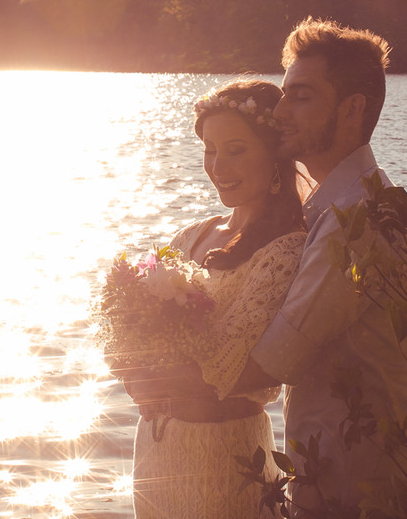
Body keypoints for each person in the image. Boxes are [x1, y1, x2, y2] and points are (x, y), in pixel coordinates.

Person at [228, 17, 407, 515]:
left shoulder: (355, 222)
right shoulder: (349, 203)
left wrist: (157, 371)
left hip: (358, 494)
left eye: (302, 97)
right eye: (284, 94)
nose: (280, 112)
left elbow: (268, 363)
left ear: (352, 108)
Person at [125, 79, 307, 519]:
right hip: (156, 447)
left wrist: (157, 373)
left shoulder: (285, 250)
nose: (218, 165)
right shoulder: (193, 235)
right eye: (210, 149)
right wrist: (127, 356)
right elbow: (135, 336)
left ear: (275, 154)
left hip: (224, 454)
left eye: (236, 149)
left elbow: (229, 366)